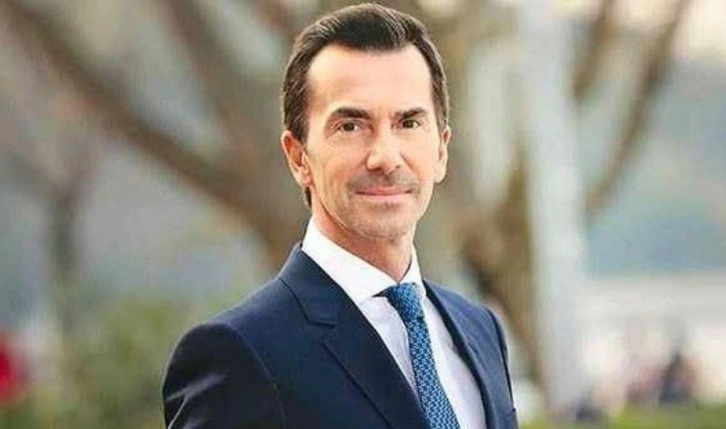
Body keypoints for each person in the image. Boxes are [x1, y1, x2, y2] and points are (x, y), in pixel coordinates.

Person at [162, 4, 517, 428]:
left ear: (441, 149)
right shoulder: (240, 354)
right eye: (351, 126)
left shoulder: (480, 330)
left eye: (408, 123)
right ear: (298, 157)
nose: (385, 157)